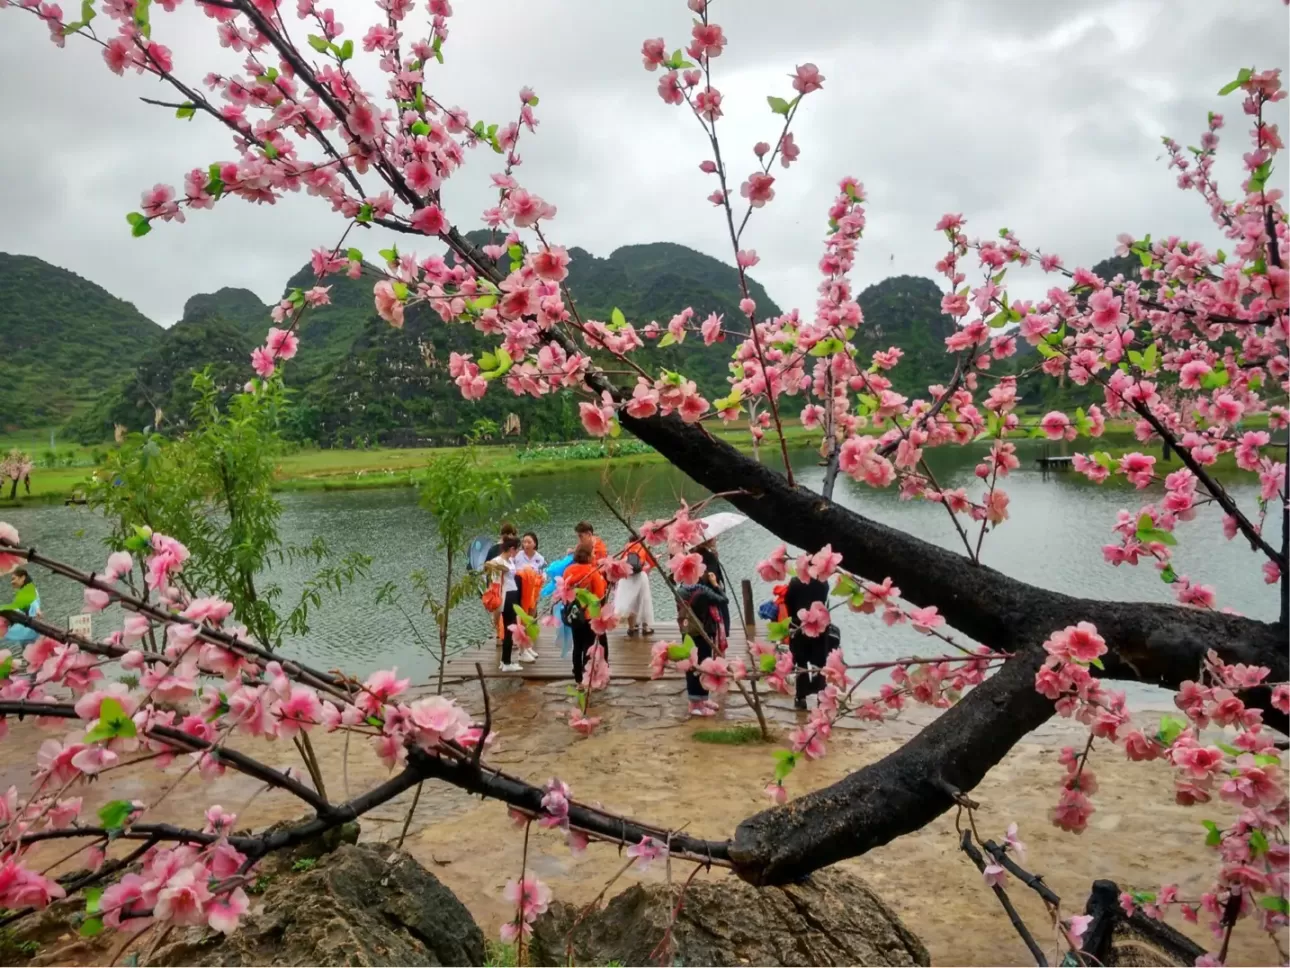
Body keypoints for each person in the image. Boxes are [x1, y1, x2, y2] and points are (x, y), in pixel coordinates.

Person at [784, 574, 840, 709]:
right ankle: (820, 696)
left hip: (799, 626)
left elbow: (788, 602)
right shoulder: (823, 582)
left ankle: (801, 697)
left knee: (801, 661)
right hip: (819, 627)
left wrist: (795, 616)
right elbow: (824, 600)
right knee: (820, 662)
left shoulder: (795, 582)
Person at [678, 580, 728, 717]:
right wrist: (716, 586)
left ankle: (702, 699)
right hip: (701, 634)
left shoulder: (681, 589)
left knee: (695, 666)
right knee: (699, 667)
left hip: (688, 632)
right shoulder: (703, 592)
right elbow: (724, 600)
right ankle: (695, 705)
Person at [561, 547, 607, 686]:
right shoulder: (592, 572)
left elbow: (565, 590)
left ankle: (577, 678)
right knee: (588, 645)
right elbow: (599, 594)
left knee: (577, 645)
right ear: (587, 556)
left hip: (574, 613)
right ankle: (587, 676)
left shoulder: (568, 571)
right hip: (588, 615)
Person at [486, 536, 529, 672]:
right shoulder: (498, 560)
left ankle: (505, 661)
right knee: (509, 628)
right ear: (511, 549)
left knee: (510, 628)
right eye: (516, 550)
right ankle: (506, 662)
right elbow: (488, 565)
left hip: (512, 594)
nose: (517, 553)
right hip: (507, 597)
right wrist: (501, 567)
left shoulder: (509, 560)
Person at [613, 539, 655, 636]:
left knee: (630, 601)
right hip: (640, 577)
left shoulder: (627, 548)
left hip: (626, 578)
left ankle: (632, 627)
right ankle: (645, 627)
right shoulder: (643, 547)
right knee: (644, 601)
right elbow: (652, 563)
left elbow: (621, 563)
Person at [694, 538, 731, 634]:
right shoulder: (707, 556)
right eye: (714, 538)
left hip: (699, 596)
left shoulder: (695, 554)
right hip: (711, 595)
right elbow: (712, 576)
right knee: (714, 626)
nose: (716, 539)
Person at [1, 568, 41, 646]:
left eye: (13, 579)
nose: (12, 582)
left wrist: (37, 609)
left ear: (22, 577)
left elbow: (33, 601)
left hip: (29, 631)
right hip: (27, 630)